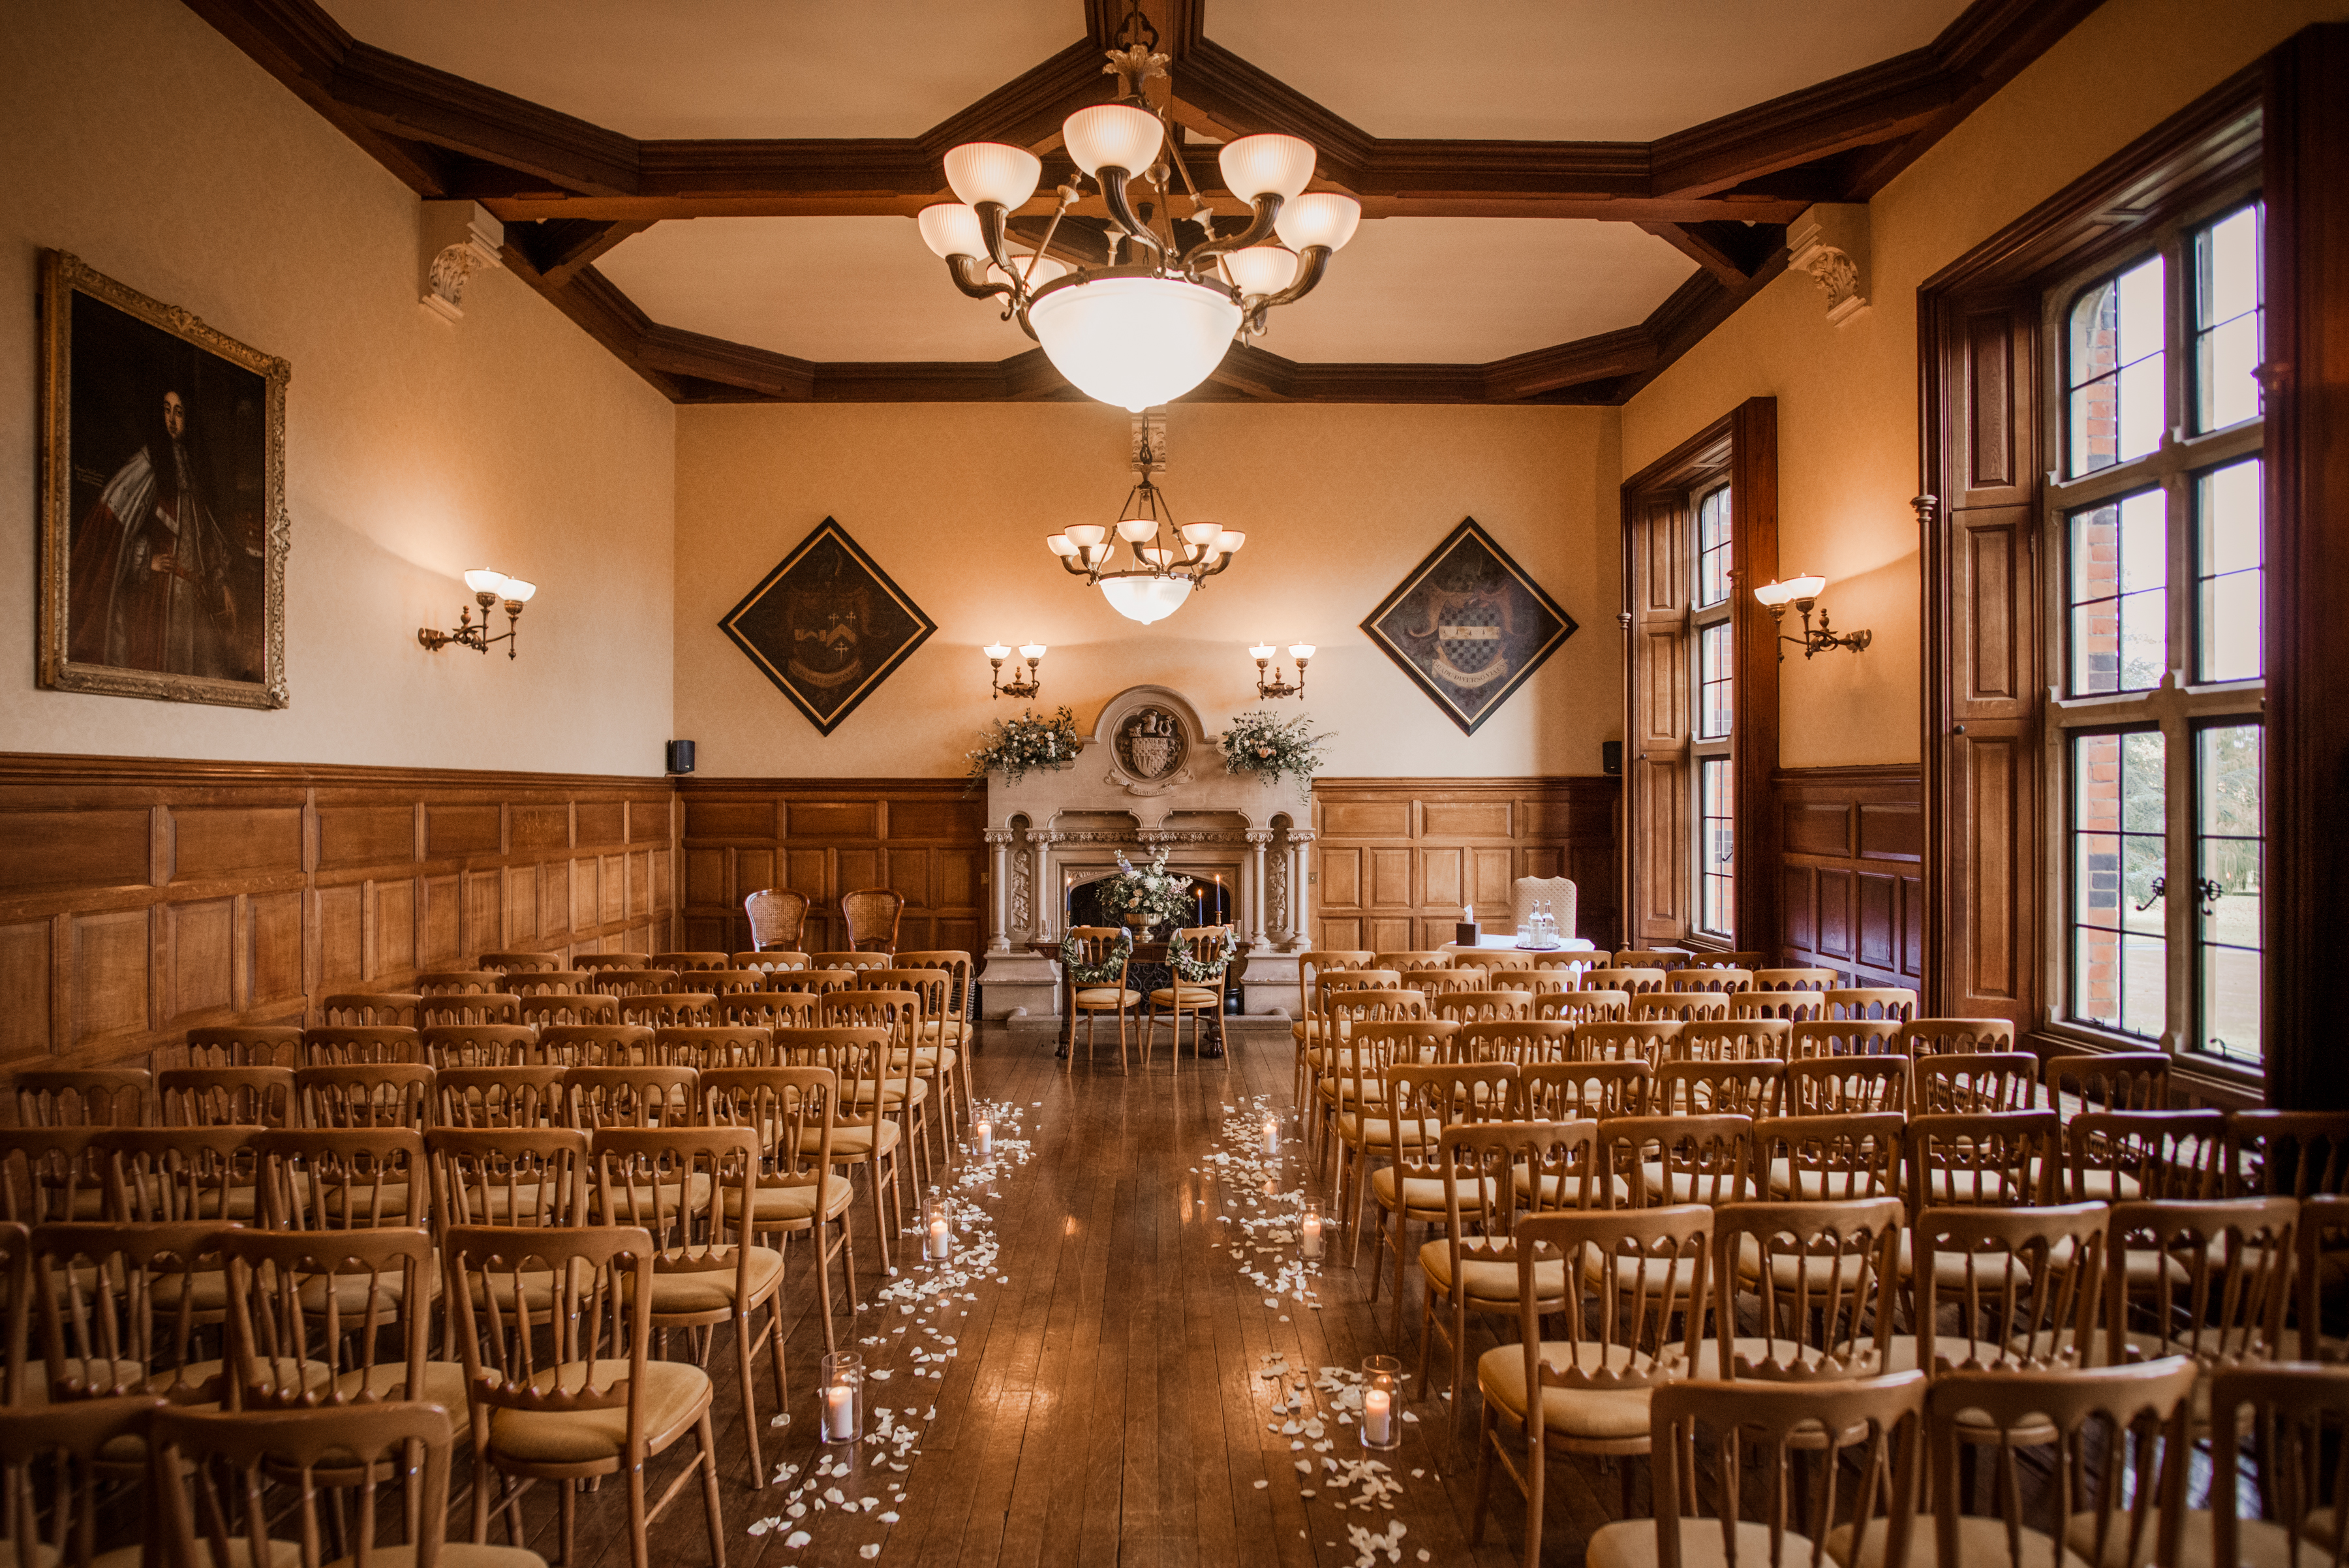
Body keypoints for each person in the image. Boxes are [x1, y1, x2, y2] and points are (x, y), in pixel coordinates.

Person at [67, 386, 241, 676]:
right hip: (159, 598)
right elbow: (113, 531)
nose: (172, 419)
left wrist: (220, 582)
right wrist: (146, 560)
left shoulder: (191, 467)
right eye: (166, 410)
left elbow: (206, 536)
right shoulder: (146, 463)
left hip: (193, 597)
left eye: (179, 412)